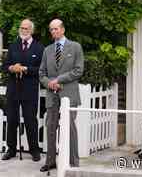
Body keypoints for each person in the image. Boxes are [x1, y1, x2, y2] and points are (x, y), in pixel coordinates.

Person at [39, 19, 84, 172]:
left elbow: (78, 70)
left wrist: (59, 79)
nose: (54, 32)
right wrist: (49, 83)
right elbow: (41, 73)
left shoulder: (75, 47)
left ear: (63, 30)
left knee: (70, 128)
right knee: (50, 126)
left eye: (56, 29)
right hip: (52, 94)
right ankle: (51, 161)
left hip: (69, 94)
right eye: (51, 29)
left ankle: (73, 162)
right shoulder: (47, 50)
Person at [1, 19, 44, 162]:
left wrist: (25, 69)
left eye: (26, 28)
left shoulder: (39, 48)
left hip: (30, 90)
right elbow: (5, 66)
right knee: (12, 119)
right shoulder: (13, 46)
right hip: (13, 88)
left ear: (31, 31)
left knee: (30, 120)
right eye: (21, 28)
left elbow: (41, 70)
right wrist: (12, 68)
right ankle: (11, 149)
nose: (23, 30)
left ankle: (34, 150)